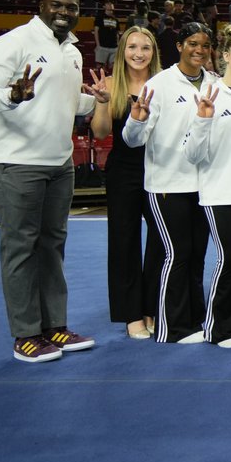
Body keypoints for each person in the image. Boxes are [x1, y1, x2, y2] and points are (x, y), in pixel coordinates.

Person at [0, 0, 100, 362]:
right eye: (56, 5)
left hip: (58, 163)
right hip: (15, 162)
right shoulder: (11, 43)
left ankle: (55, 327)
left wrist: (99, 100)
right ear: (40, 6)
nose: (64, 11)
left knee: (51, 247)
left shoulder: (73, 51)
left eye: (72, 7)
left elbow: (70, 102)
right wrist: (12, 96)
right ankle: (26, 335)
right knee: (21, 248)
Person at [123, 22, 217, 344]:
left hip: (203, 187)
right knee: (176, 255)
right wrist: (136, 119)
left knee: (197, 257)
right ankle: (170, 327)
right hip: (166, 186)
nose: (199, 50)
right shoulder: (159, 84)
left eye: (205, 45)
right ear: (179, 45)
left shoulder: (214, 84)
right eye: (192, 43)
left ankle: (192, 318)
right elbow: (134, 141)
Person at [182, 25, 231, 348]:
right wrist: (202, 119)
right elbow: (192, 153)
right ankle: (218, 328)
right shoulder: (209, 94)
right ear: (226, 55)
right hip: (220, 192)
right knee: (229, 260)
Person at [89, 27, 162, 340]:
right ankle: (131, 314)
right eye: (132, 46)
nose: (138, 53)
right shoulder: (109, 84)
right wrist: (104, 102)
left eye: (145, 47)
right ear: (122, 51)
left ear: (153, 53)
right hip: (124, 171)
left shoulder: (163, 85)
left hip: (160, 170)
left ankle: (153, 308)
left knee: (162, 239)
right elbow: (100, 131)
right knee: (124, 241)